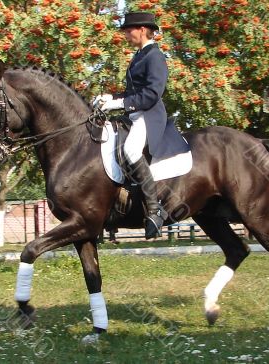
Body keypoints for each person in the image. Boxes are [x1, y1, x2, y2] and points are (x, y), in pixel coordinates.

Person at [93, 12, 169, 239]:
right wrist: (110, 97)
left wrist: (119, 103)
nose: (126, 34)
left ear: (143, 30)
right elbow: (131, 93)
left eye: (129, 30)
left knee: (130, 149)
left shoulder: (155, 56)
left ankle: (154, 209)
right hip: (135, 115)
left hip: (150, 116)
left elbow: (152, 94)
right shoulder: (139, 56)